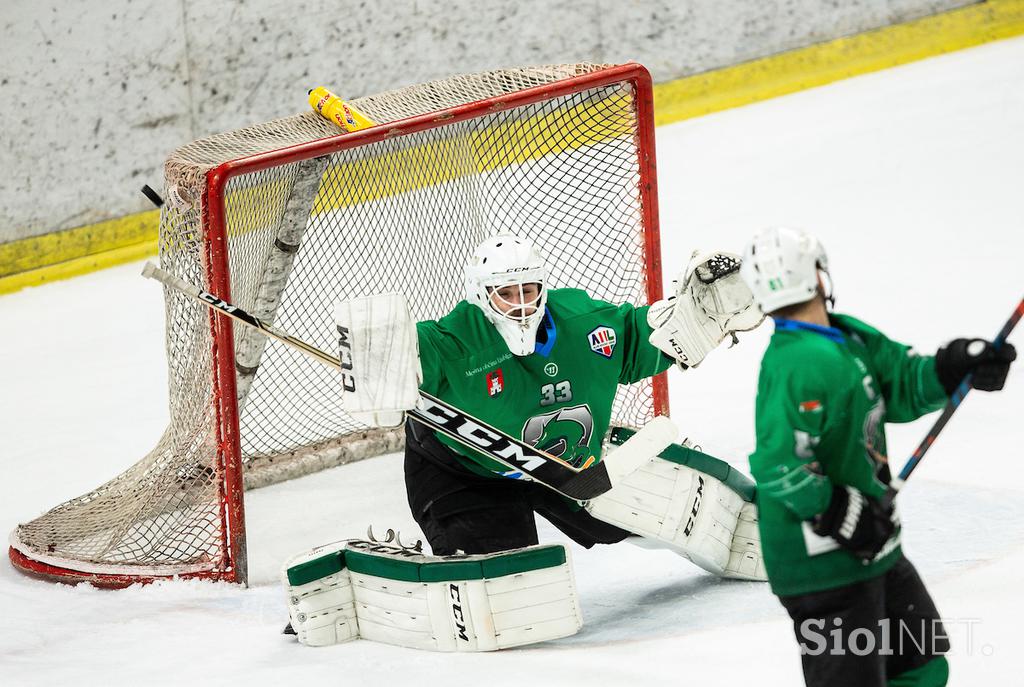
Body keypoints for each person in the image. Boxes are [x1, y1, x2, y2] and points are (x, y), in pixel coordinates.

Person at [341, 233, 767, 579]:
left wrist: (689, 321)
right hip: (464, 471)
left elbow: (646, 338)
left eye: (529, 289)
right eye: (506, 293)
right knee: (507, 586)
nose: (521, 302)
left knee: (656, 515)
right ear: (481, 294)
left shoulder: (585, 325)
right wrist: (379, 354)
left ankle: (761, 533)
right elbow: (404, 357)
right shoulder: (451, 341)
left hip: (570, 472)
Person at [739, 226, 1016, 687]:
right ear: (817, 276)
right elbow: (777, 464)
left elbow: (902, 383)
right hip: (822, 569)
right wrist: (840, 512)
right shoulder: (793, 364)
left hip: (873, 548)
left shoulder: (846, 337)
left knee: (923, 666)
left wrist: (954, 367)